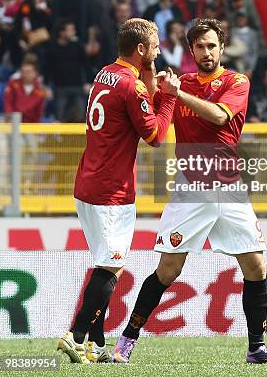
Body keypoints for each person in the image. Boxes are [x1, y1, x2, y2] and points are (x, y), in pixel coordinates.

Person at [113, 18, 267, 365]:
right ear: (191, 51)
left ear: (222, 49)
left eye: (212, 45)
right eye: (200, 46)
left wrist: (177, 92)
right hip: (191, 189)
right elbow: (149, 100)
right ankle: (125, 342)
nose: (206, 52)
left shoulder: (236, 81)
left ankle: (256, 347)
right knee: (168, 271)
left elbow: (220, 118)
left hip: (230, 189)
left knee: (256, 267)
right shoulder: (183, 83)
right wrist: (152, 72)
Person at [57, 18, 180, 364]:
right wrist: (168, 99)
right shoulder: (132, 87)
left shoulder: (105, 74)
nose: (158, 51)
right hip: (110, 189)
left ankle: (95, 346)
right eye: (154, 46)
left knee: (106, 264)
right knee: (111, 266)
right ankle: (76, 334)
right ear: (140, 49)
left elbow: (139, 93)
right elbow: (155, 136)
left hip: (88, 182)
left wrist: (151, 70)